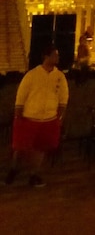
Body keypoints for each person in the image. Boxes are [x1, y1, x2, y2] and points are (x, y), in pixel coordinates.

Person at [5, 45, 69, 188]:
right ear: (46, 57)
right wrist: (18, 115)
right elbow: (21, 97)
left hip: (49, 118)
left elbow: (63, 99)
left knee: (41, 148)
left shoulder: (59, 77)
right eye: (55, 55)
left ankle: (33, 174)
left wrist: (60, 117)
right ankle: (14, 170)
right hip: (29, 117)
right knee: (20, 147)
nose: (57, 58)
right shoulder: (32, 75)